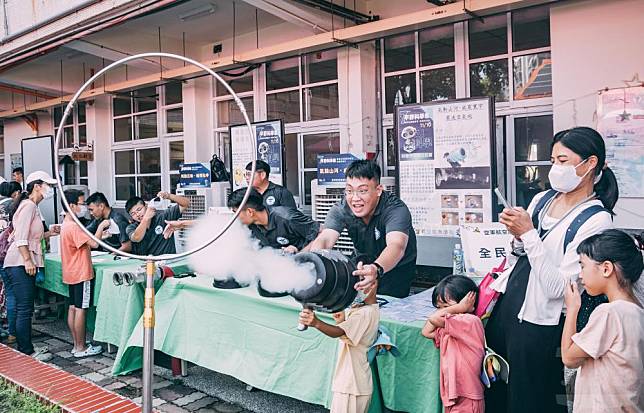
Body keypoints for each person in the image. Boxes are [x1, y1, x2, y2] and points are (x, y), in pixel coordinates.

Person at [485, 127, 619, 413]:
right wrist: (518, 237)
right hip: (509, 304)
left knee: (527, 398)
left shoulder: (597, 220)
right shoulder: (543, 200)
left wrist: (529, 235)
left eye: (563, 160)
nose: (555, 168)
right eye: (553, 161)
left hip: (540, 321)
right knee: (495, 386)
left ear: (590, 163)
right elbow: (521, 254)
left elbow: (559, 289)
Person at [561, 230, 643, 412]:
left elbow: (569, 358)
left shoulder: (609, 313)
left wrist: (573, 308)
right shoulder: (638, 313)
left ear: (606, 268)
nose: (580, 275)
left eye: (582, 266)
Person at [309, 160, 417, 298]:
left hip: (395, 267)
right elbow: (325, 239)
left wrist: (376, 269)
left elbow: (397, 246)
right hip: (363, 261)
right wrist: (315, 261)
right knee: (354, 302)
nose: (355, 198)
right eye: (349, 191)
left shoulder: (395, 209)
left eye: (362, 191)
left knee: (387, 305)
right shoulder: (341, 209)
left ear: (378, 190)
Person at [3, 171, 62, 361]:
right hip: (19, 263)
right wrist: (28, 261)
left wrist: (49, 233)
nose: (50, 190)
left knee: (24, 307)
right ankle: (26, 350)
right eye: (48, 185)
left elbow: (32, 236)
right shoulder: (28, 206)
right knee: (25, 308)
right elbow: (20, 238)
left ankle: (26, 346)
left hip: (20, 262)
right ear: (37, 186)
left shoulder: (31, 206)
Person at [299, 280, 379, 413]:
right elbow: (352, 336)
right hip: (354, 384)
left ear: (373, 284)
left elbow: (339, 332)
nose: (355, 290)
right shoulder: (368, 309)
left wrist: (316, 323)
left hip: (352, 386)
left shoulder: (364, 313)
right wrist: (342, 321)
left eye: (359, 285)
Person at [421, 275, 485, 413]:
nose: (442, 311)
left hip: (468, 395)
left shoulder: (469, 321)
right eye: (439, 308)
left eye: (447, 307)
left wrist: (460, 308)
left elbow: (434, 318)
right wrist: (456, 307)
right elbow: (426, 331)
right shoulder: (449, 326)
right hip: (453, 394)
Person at [60, 189, 103, 358]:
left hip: (71, 272)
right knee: (81, 309)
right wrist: (101, 226)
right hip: (81, 272)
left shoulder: (66, 224)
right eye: (82, 204)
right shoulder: (74, 226)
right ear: (71, 206)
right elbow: (94, 243)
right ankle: (81, 347)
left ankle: (76, 344)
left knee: (73, 307)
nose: (84, 207)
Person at [227, 187, 320, 254]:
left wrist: (300, 252)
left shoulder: (287, 217)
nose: (235, 217)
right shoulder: (250, 226)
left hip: (305, 267)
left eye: (236, 212)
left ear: (250, 212)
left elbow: (322, 234)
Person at [125, 191, 190, 256]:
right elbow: (136, 238)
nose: (137, 214)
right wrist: (146, 218)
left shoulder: (163, 217)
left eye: (139, 209)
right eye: (133, 214)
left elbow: (186, 204)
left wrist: (169, 196)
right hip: (146, 264)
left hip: (168, 261)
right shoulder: (131, 228)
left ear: (146, 206)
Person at [0, 181, 23, 344]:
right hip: (12, 255)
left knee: (7, 292)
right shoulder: (14, 206)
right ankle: (14, 331)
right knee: (15, 295)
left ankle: (8, 329)